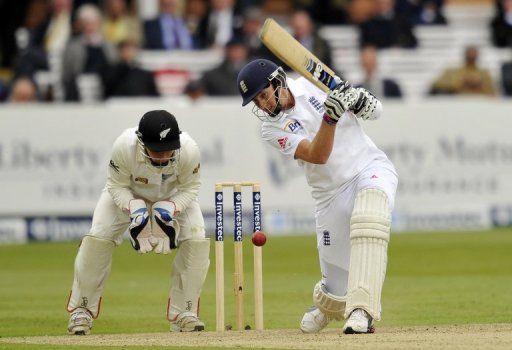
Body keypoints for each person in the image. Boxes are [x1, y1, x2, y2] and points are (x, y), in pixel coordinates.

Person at [236, 59, 398, 334]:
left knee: (370, 218)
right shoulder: (271, 129)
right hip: (328, 195)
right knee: (336, 288)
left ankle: (363, 310)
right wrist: (330, 117)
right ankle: (327, 307)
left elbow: (377, 111)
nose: (262, 105)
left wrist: (360, 99)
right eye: (256, 102)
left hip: (368, 168)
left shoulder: (313, 84)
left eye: (263, 95)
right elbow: (317, 155)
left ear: (278, 82)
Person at [66, 110, 209, 335]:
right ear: (141, 142)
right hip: (128, 192)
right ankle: (81, 310)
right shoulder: (124, 146)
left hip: (172, 195)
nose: (163, 157)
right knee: (98, 237)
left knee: (197, 238)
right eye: (156, 151)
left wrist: (172, 207)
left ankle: (185, 312)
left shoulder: (189, 150)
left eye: (168, 150)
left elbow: (190, 188)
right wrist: (134, 208)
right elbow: (115, 186)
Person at [429, 45, 496, 96]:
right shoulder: (452, 72)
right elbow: (436, 85)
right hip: (457, 103)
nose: (472, 56)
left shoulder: (484, 73)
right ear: (465, 54)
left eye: (474, 54)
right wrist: (459, 83)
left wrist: (479, 85)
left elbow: (492, 91)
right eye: (470, 54)